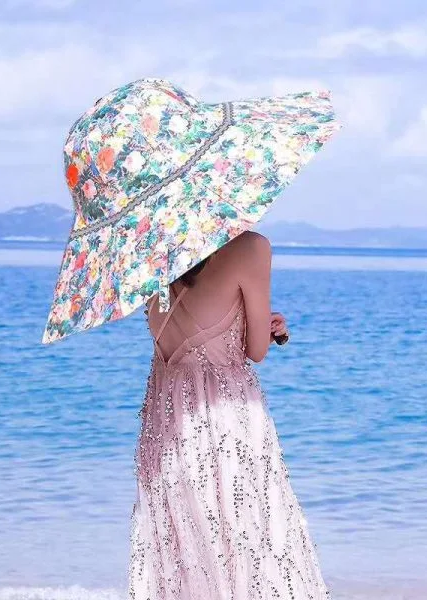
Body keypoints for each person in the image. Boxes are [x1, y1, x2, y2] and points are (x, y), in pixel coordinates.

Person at [127, 230, 330, 599]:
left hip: (164, 423)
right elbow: (254, 350)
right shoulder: (250, 247)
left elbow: (181, 332)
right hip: (226, 422)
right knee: (245, 548)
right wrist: (268, 331)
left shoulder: (154, 252)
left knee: (184, 555)